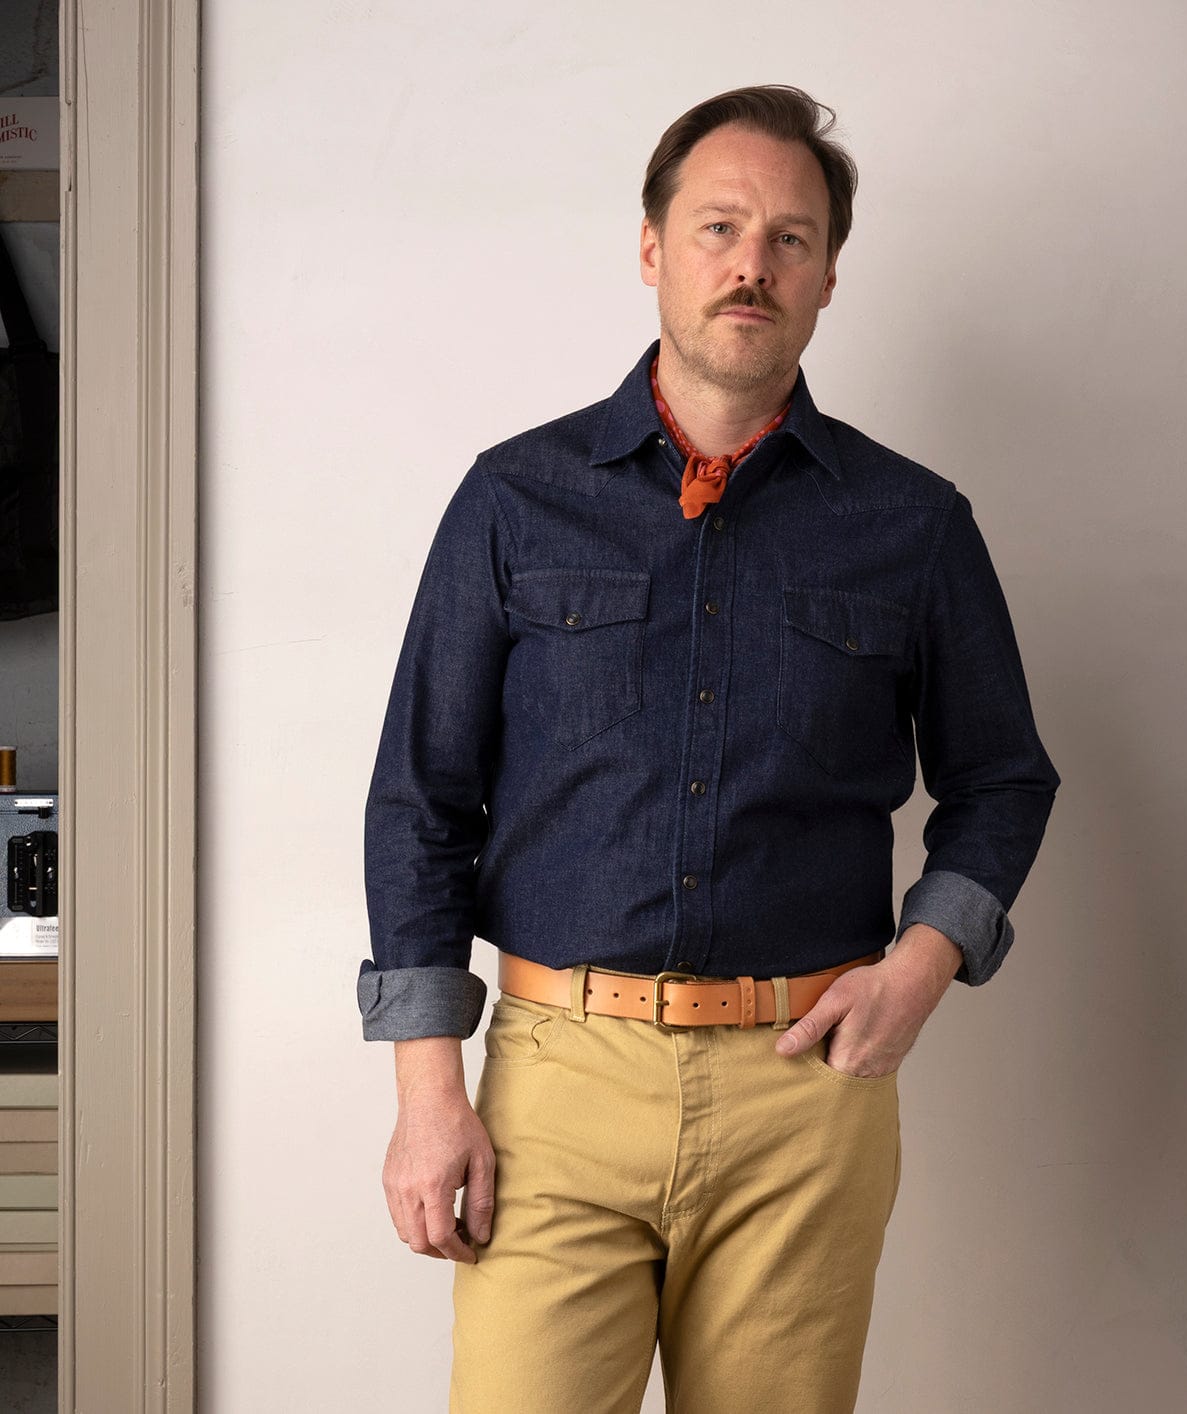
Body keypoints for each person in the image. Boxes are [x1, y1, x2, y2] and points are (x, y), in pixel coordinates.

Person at [357, 83, 1060, 1413]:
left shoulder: (913, 524)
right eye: (720, 226)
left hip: (808, 1096)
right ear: (651, 249)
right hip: (557, 1084)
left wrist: (924, 961)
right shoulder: (516, 500)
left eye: (790, 238)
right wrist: (426, 1090)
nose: (752, 265)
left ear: (830, 276)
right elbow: (421, 798)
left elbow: (1002, 776)